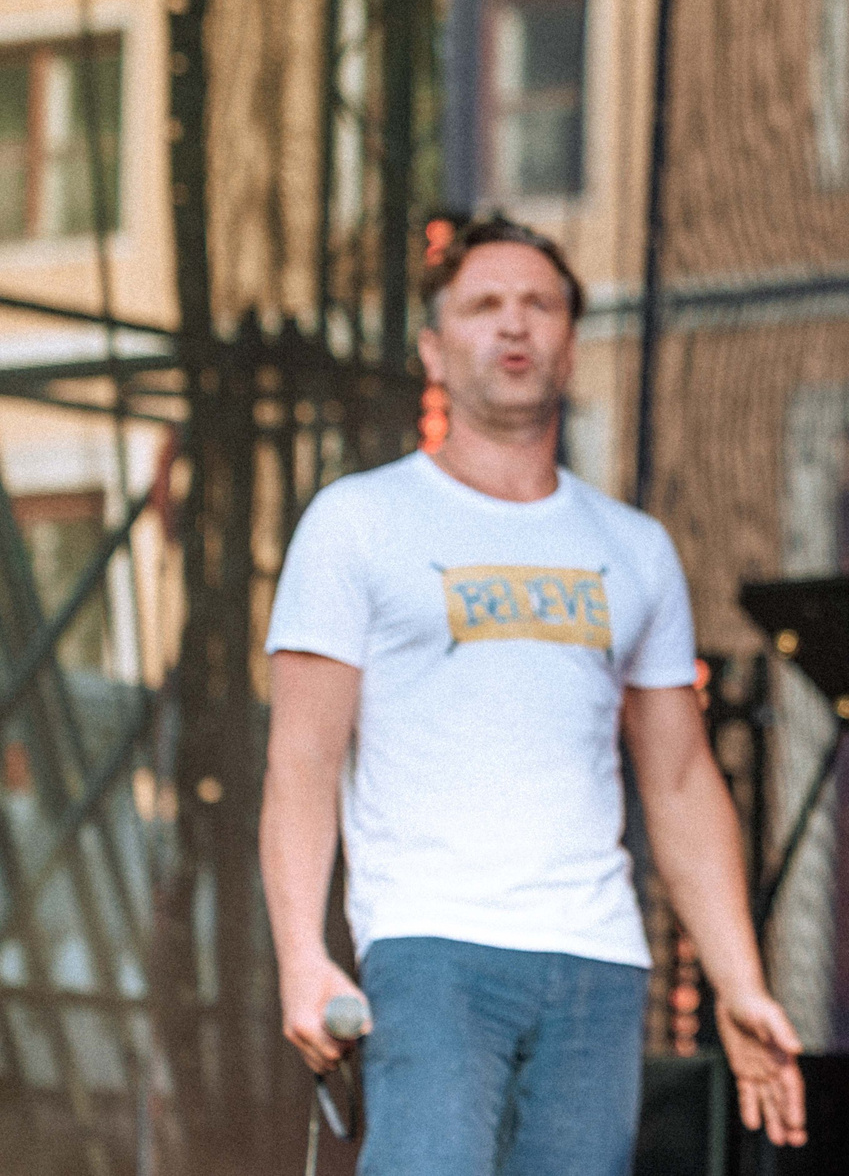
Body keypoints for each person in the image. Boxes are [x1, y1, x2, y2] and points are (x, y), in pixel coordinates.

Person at [259, 217, 808, 1176]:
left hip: (596, 960)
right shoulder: (359, 520)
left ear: (569, 341)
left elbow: (678, 781)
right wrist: (301, 954)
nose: (513, 326)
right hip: (429, 947)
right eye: (483, 305)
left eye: (539, 305)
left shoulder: (633, 547)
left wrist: (738, 980)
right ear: (434, 348)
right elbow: (302, 761)